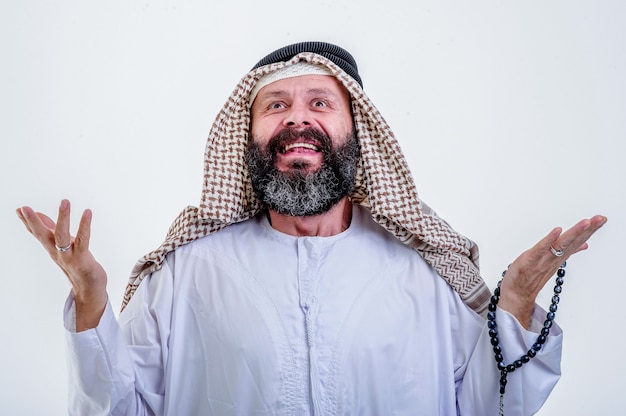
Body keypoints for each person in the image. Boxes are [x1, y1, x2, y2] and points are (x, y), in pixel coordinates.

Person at [17, 42, 606, 415]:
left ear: (357, 134)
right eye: (276, 105)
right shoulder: (187, 275)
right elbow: (119, 411)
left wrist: (520, 302)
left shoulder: (424, 272)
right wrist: (92, 306)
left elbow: (487, 408)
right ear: (249, 139)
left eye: (320, 103)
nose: (297, 115)